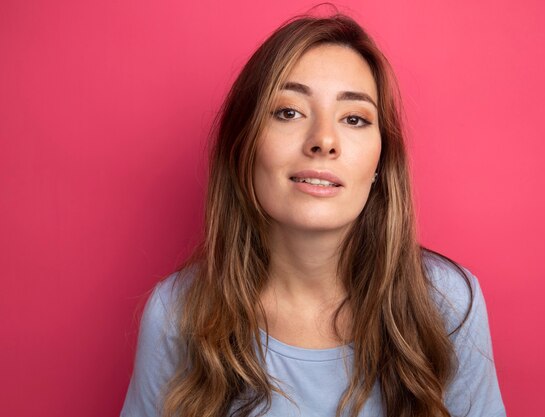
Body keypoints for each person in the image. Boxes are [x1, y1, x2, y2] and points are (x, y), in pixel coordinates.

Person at [120, 12, 506, 417]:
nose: (323, 140)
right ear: (243, 147)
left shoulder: (446, 303)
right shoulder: (178, 313)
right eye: (289, 112)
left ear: (380, 163)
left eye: (354, 118)